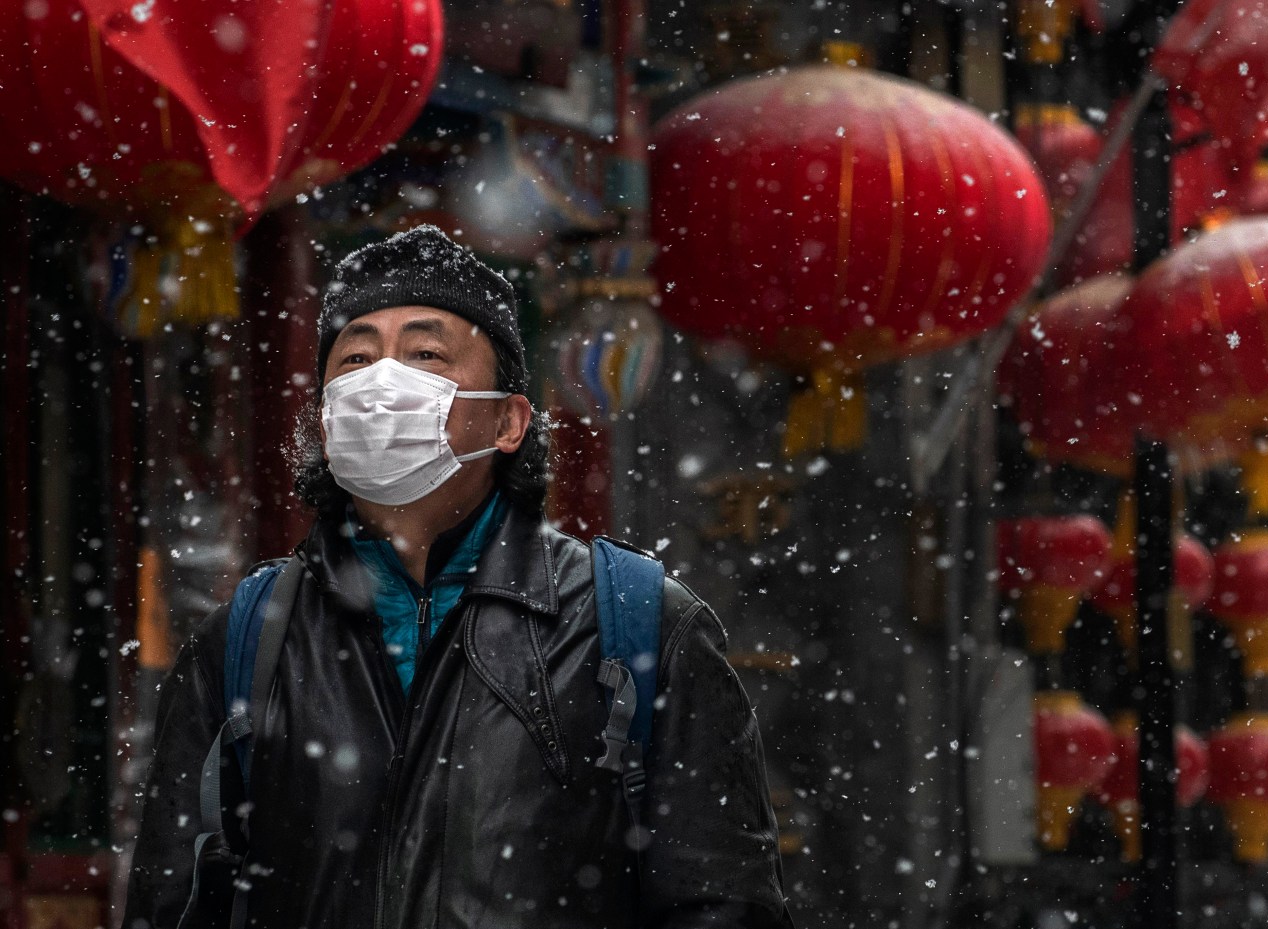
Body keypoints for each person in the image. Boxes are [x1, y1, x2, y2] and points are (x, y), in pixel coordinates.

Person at [123, 225, 794, 928]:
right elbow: (174, 905)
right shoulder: (247, 640)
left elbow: (721, 904)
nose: (381, 384)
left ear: (507, 421)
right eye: (355, 358)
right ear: (325, 422)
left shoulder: (636, 624)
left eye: (425, 354)